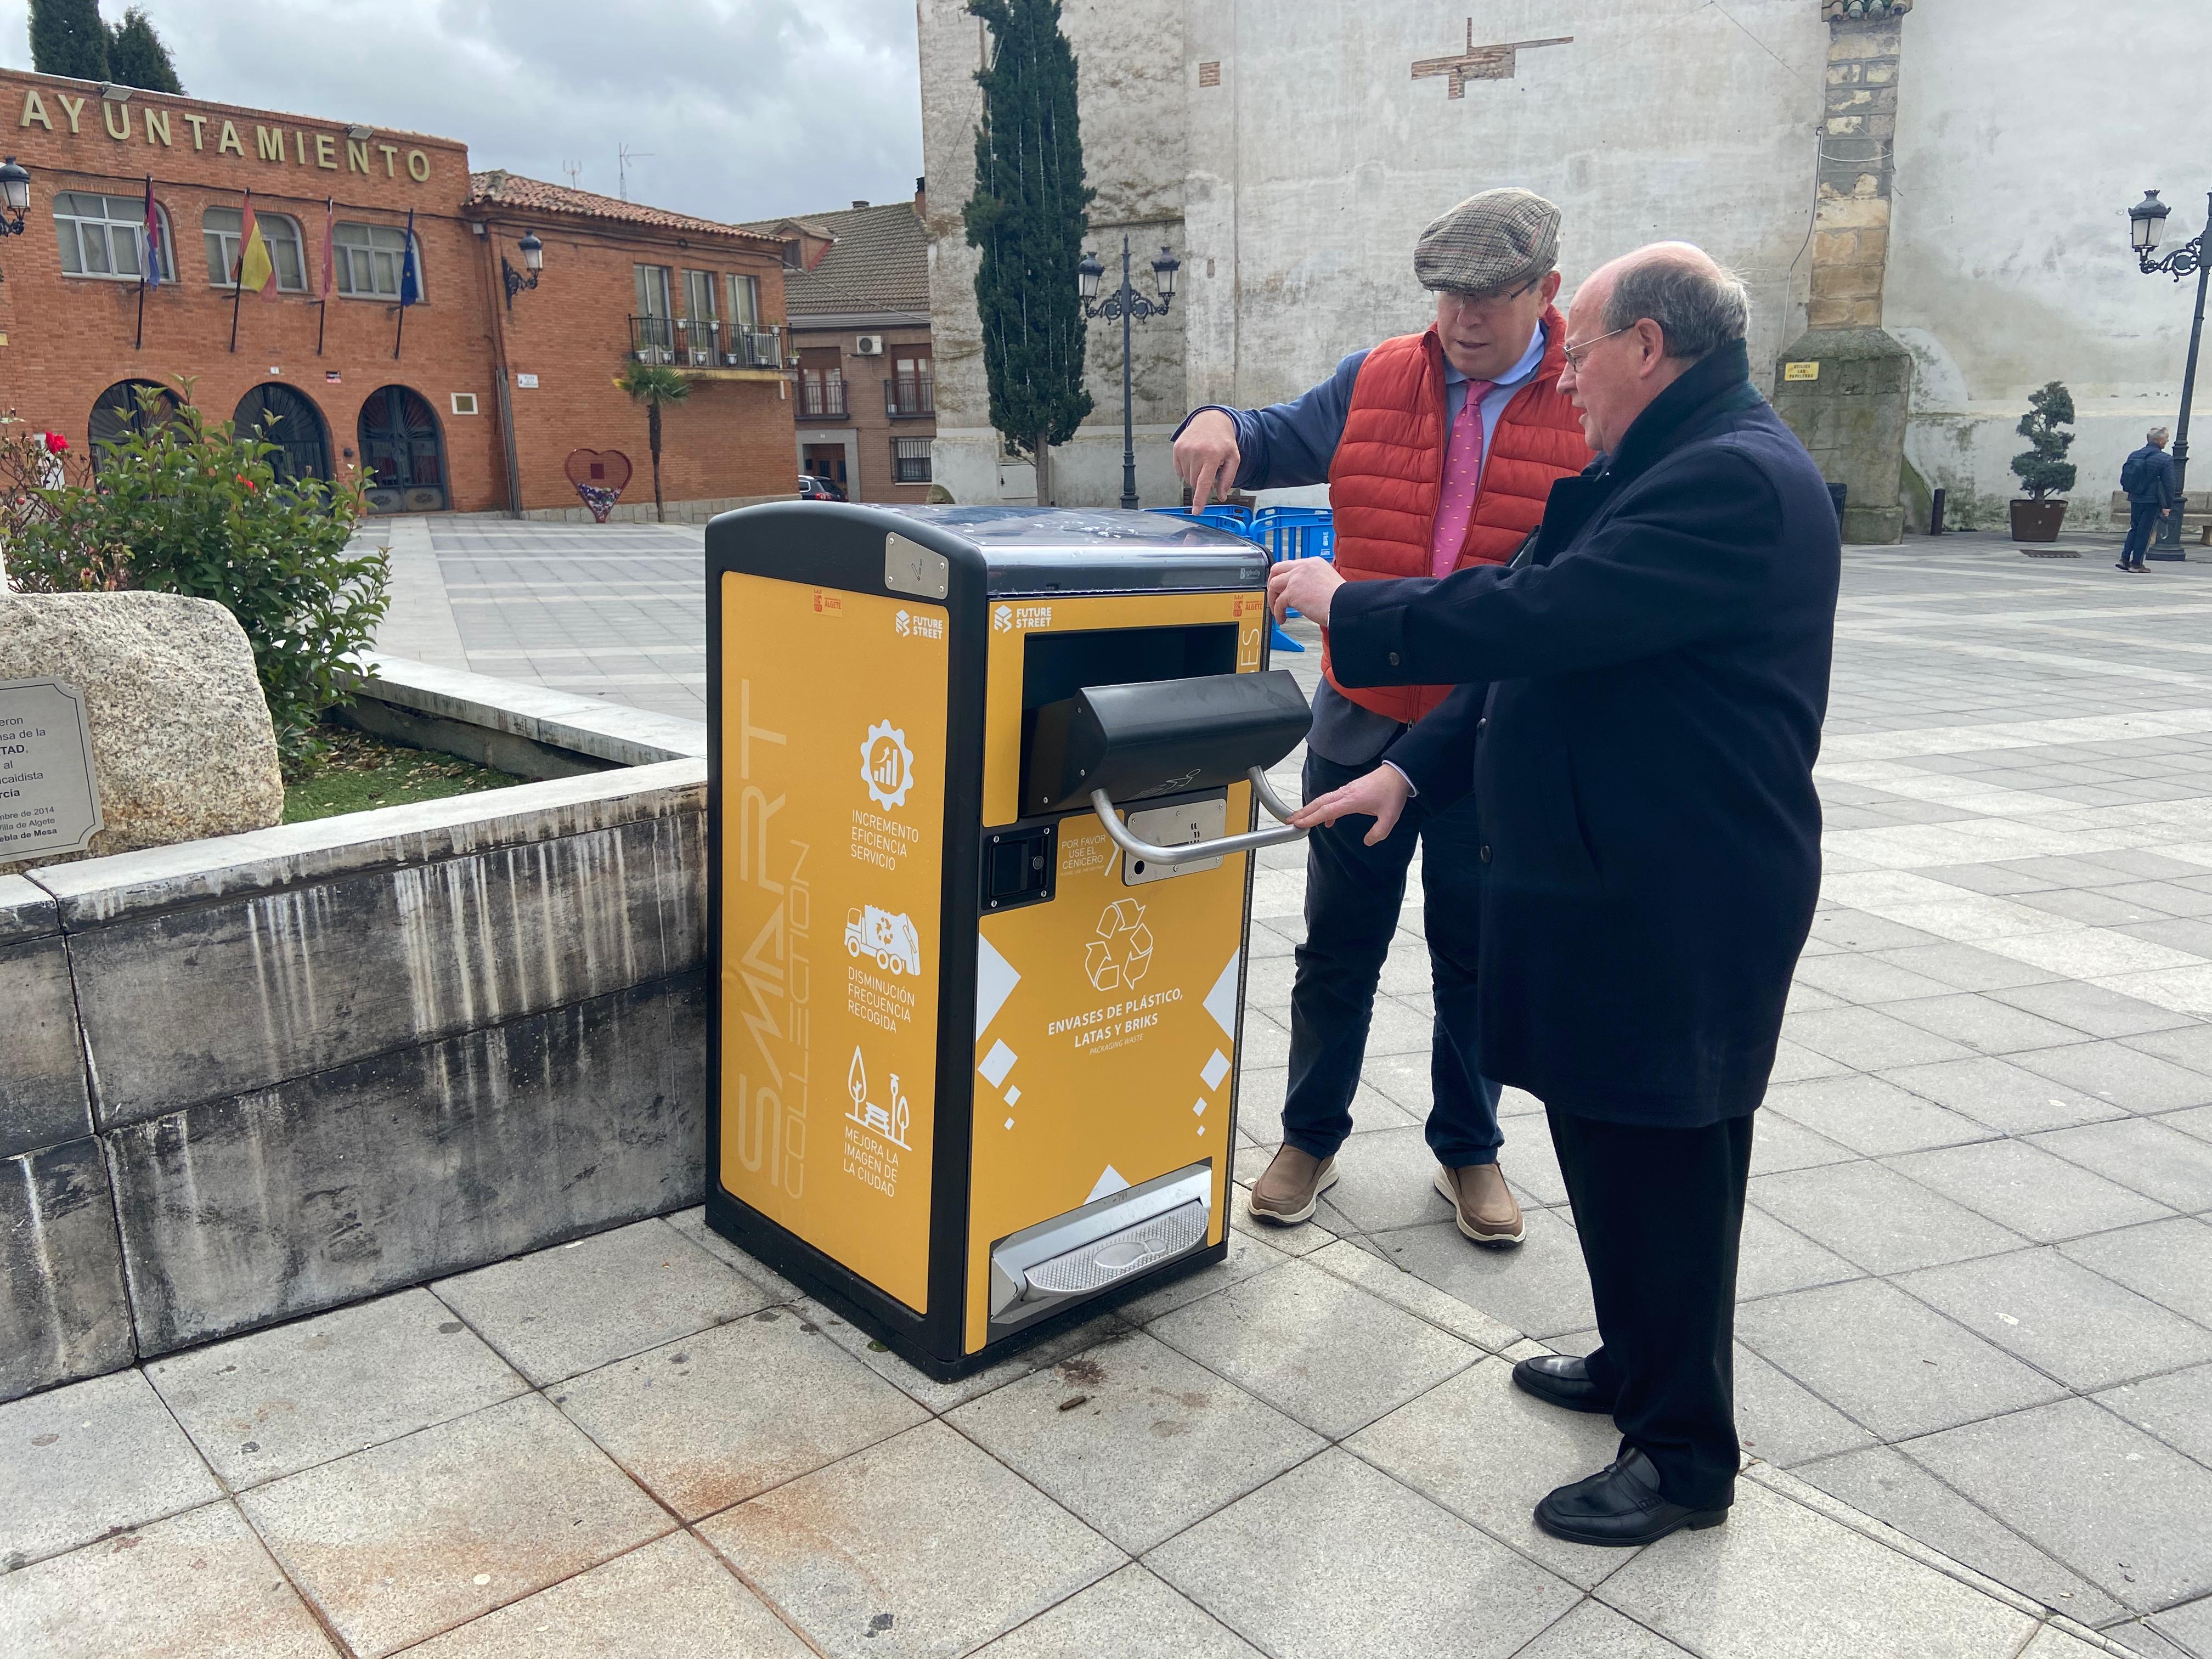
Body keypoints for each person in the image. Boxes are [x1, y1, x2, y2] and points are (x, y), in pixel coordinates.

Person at [1267, 243, 1839, 1547]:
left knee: (1670, 1167)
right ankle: (1638, 1371)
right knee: (1610, 1143)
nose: (1563, 376)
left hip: (1679, 899)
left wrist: (1357, 606)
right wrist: (1409, 773)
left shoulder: (1731, 481)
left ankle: (1684, 1454)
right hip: (1612, 883)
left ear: (1649, 345)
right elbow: (1539, 644)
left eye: (1577, 349)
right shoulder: (1660, 466)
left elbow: (1540, 618)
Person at [1171, 188, 1593, 1246]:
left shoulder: (1581, 404)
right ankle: (1308, 1134)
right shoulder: (1379, 376)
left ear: (1546, 290)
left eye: (1490, 297)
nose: (1462, 318)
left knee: (1475, 954)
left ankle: (1468, 1149)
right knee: (1335, 947)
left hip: (1490, 731)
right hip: (1359, 716)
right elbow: (1270, 437)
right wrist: (1217, 420)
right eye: (1448, 294)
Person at [2118, 426, 2178, 572]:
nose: (2167, 441)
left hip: (2135, 497)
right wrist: (2168, 505)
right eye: (2167, 439)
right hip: (2152, 500)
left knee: (2135, 527)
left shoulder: (2134, 455)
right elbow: (2169, 484)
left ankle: (2124, 559)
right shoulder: (2165, 459)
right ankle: (2137, 563)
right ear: (2161, 440)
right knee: (2145, 531)